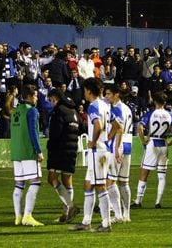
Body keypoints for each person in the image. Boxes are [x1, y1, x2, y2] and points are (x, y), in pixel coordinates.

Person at [69, 77, 111, 232]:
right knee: (88, 184)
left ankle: (106, 224)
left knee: (100, 186)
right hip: (103, 150)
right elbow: (113, 125)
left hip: (97, 151)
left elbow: (98, 126)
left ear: (88, 90)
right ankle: (86, 222)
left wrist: (93, 141)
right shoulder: (106, 105)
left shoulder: (93, 106)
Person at [131, 91, 172, 209]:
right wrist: (171, 141)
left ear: (154, 101)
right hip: (164, 143)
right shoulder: (170, 115)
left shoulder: (151, 113)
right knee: (162, 174)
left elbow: (140, 126)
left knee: (144, 172)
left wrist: (143, 140)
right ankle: (158, 202)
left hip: (153, 142)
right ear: (165, 102)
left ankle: (138, 201)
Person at [11, 84, 44, 227]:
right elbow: (33, 132)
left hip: (16, 152)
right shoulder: (32, 111)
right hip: (28, 151)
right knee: (35, 182)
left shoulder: (16, 110)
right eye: (36, 95)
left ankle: (18, 216)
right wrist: (38, 150)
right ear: (30, 96)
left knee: (19, 184)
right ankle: (28, 215)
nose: (37, 98)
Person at [47, 89, 81, 223]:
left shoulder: (58, 110)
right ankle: (66, 214)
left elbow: (56, 132)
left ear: (55, 98)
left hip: (60, 149)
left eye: (51, 99)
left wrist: (51, 146)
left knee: (52, 178)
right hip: (73, 148)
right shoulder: (73, 111)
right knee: (67, 180)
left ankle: (70, 206)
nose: (51, 102)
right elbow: (82, 127)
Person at [105, 84, 133, 223]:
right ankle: (126, 214)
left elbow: (119, 129)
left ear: (116, 94)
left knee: (110, 181)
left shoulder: (115, 109)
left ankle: (118, 214)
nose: (106, 97)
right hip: (128, 144)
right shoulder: (127, 108)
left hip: (118, 144)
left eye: (109, 94)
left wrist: (115, 148)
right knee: (124, 182)